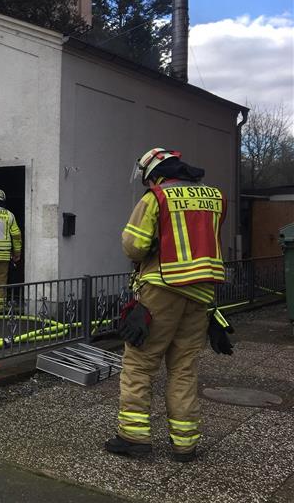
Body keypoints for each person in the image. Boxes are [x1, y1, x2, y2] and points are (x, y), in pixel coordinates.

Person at [105, 147, 233, 462]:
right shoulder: (215, 198)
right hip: (201, 295)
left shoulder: (157, 198)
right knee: (183, 368)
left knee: (139, 364)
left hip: (161, 290)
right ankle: (185, 443)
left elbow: (134, 247)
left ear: (155, 173)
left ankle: (133, 438)